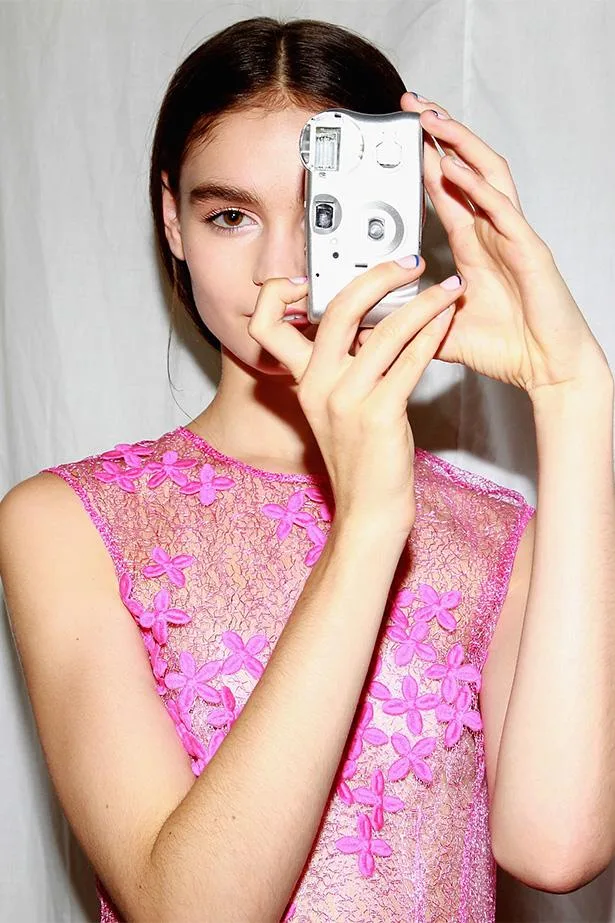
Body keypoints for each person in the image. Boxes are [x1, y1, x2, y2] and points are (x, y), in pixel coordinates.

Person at [1, 15, 614, 923]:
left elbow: (555, 848)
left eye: (321, 214)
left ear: (396, 214)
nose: (280, 268)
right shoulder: (66, 522)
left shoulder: (494, 535)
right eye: (230, 215)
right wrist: (367, 523)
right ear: (172, 220)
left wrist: (572, 395)